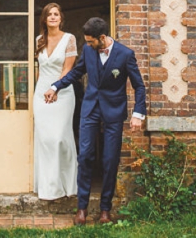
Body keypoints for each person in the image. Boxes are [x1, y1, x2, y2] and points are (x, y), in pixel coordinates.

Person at [44, 17, 146, 225]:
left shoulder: (125, 55)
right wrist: (56, 86)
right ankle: (82, 209)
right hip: (90, 110)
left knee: (109, 161)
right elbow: (77, 72)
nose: (88, 45)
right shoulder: (89, 50)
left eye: (91, 42)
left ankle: (105, 210)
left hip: (114, 113)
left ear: (102, 37)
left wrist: (138, 113)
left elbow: (139, 86)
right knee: (86, 157)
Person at [33, 3, 78, 200]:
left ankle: (67, 184)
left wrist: (56, 87)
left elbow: (68, 69)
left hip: (63, 93)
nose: (53, 17)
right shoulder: (39, 40)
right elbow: (39, 68)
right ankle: (49, 187)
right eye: (49, 15)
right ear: (44, 19)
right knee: (45, 140)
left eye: (56, 14)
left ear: (61, 18)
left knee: (60, 138)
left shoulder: (69, 39)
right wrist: (41, 90)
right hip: (41, 94)